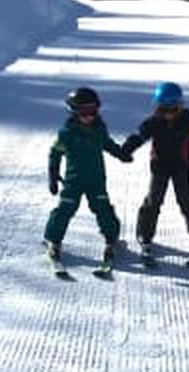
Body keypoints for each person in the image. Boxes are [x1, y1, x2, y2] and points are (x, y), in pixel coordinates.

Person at [121, 82, 189, 264]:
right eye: (165, 110)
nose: (170, 114)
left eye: (174, 109)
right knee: (153, 200)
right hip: (159, 167)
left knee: (185, 199)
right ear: (157, 108)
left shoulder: (186, 121)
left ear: (181, 107)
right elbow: (138, 136)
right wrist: (126, 149)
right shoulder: (153, 122)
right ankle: (144, 236)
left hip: (180, 166)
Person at [44, 87, 132, 265]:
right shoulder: (67, 133)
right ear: (74, 112)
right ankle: (53, 240)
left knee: (103, 209)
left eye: (92, 111)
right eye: (84, 112)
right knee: (65, 209)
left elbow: (106, 143)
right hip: (73, 180)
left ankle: (112, 240)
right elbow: (55, 152)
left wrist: (120, 153)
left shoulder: (99, 129)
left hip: (96, 179)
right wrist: (53, 174)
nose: (89, 116)